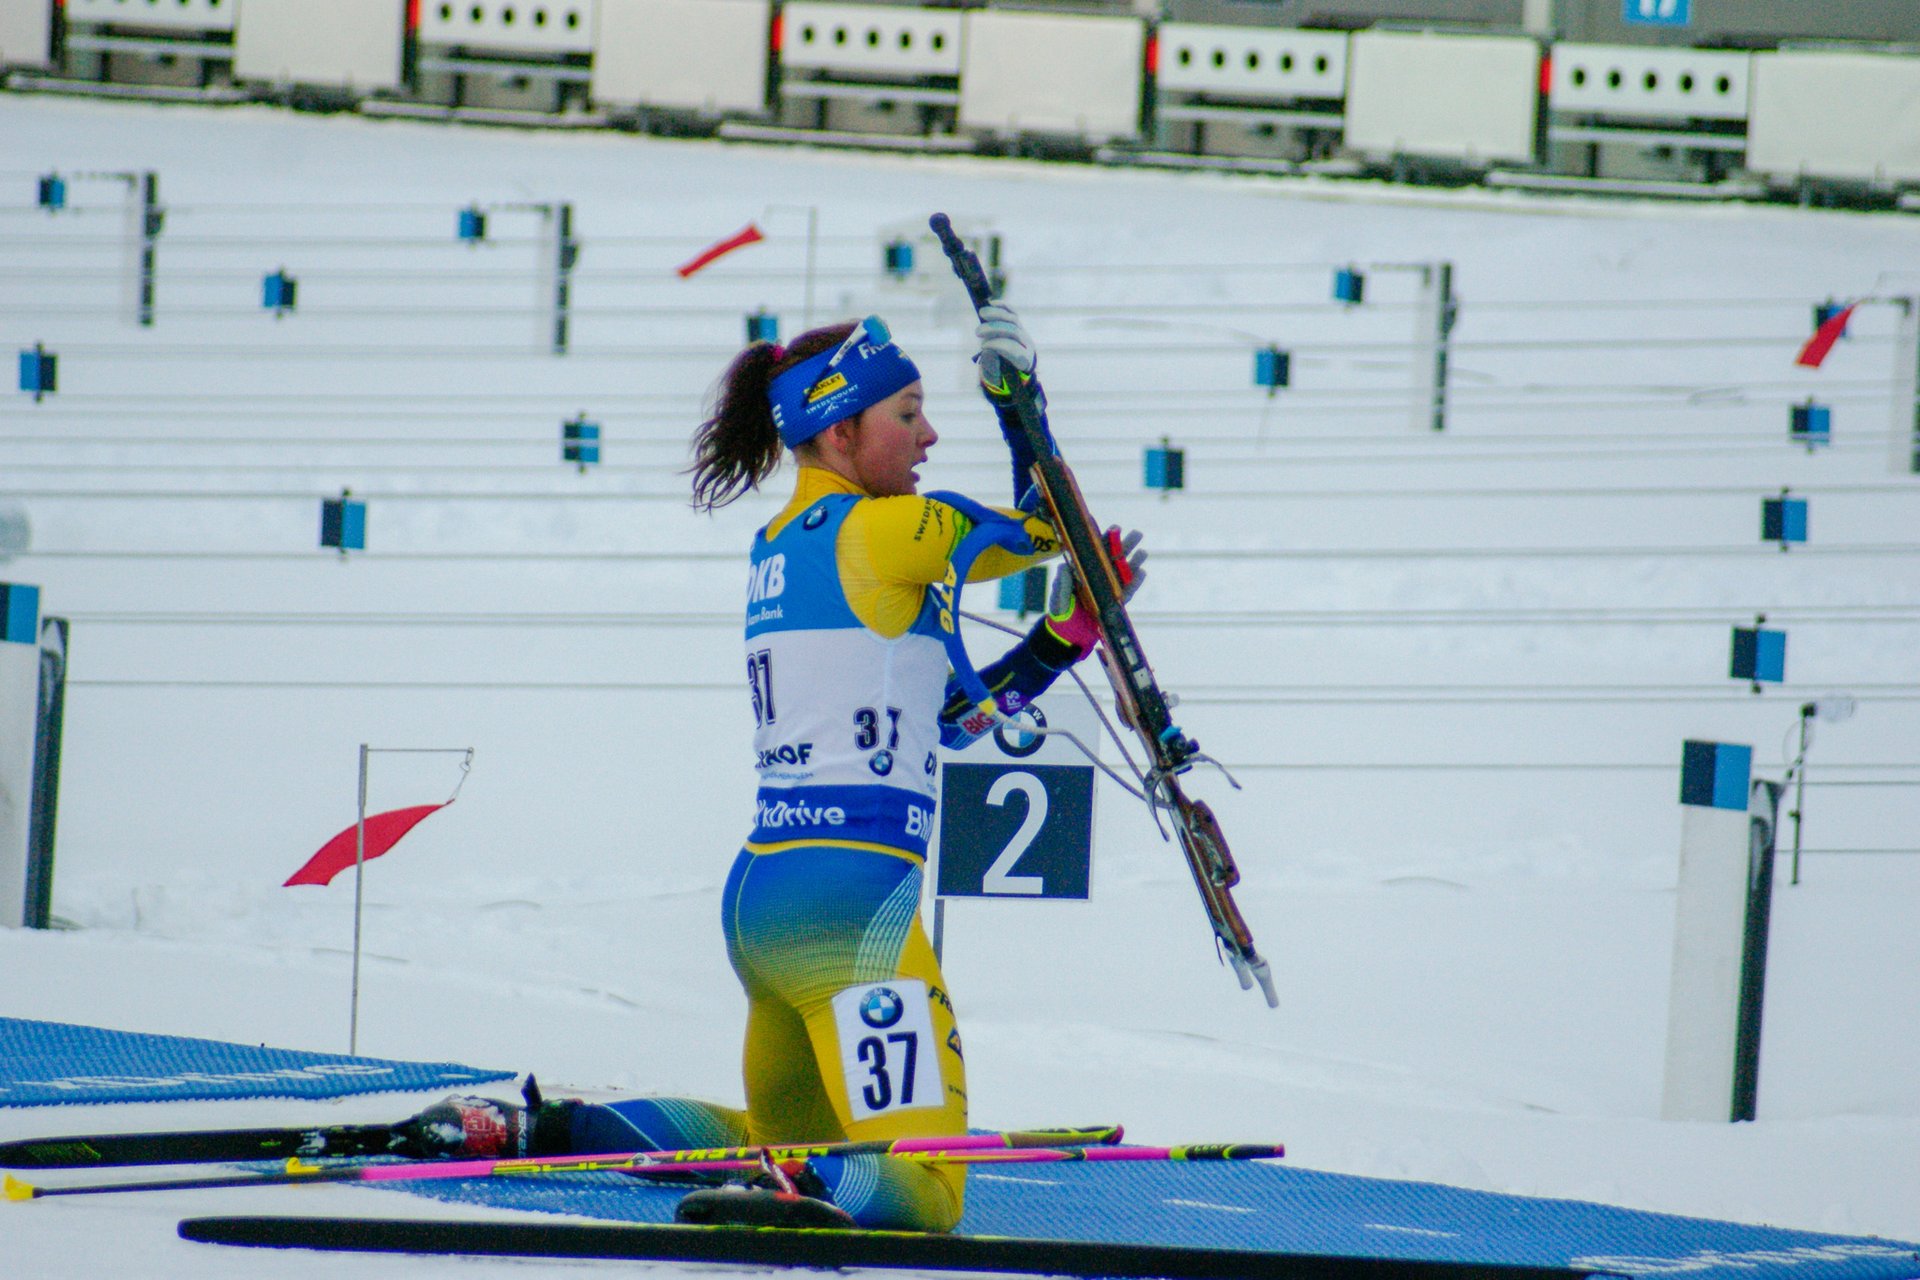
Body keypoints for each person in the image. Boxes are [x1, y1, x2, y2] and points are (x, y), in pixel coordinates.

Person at [400, 307, 1141, 1234]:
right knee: (926, 1193)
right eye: (908, 413)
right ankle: (801, 1188)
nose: (928, 436)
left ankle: (541, 1128)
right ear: (840, 431)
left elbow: (942, 720)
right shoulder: (887, 532)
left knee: (775, 1143)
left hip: (766, 902)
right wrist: (1015, 399)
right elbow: (1050, 527)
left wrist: (1059, 642)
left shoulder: (783, 545)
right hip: (855, 916)